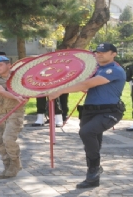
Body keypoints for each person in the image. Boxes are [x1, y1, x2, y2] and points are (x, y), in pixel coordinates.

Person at [49, 43, 126, 189]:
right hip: (89, 110)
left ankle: (94, 169)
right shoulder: (95, 69)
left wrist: (60, 91)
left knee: (87, 132)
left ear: (114, 54)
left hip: (109, 111)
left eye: (104, 52)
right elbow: (81, 82)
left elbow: (87, 84)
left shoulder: (113, 70)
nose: (99, 54)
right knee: (92, 141)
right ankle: (93, 178)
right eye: (97, 52)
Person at [0, 56, 26, 179]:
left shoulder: (19, 77)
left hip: (15, 112)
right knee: (0, 141)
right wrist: (16, 97)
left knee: (8, 138)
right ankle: (7, 166)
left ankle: (15, 163)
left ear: (9, 65)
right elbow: (1, 90)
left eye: (0, 65)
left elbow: (31, 86)